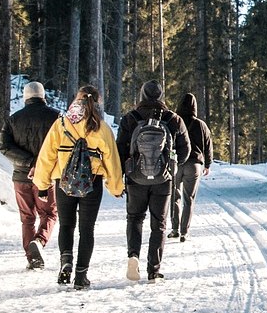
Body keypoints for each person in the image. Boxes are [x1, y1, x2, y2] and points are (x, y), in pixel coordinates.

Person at [32, 85, 124, 290]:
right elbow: (112, 160)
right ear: (97, 102)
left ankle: (66, 262)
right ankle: (81, 276)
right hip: (91, 184)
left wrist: (42, 184)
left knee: (66, 225)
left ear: (77, 99)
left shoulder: (61, 124)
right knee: (86, 230)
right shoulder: (101, 127)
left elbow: (46, 155)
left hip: (63, 183)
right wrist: (116, 187)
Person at [118, 80, 190, 282]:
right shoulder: (173, 119)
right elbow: (186, 149)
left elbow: (120, 149)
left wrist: (127, 169)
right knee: (159, 224)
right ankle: (153, 270)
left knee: (134, 218)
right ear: (161, 96)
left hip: (135, 179)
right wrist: (172, 165)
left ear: (141, 96)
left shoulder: (130, 119)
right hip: (163, 180)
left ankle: (133, 255)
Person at [0, 81, 61, 270]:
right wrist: (40, 162)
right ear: (43, 96)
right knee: (49, 213)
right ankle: (39, 242)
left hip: (21, 177)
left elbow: (4, 147)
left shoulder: (13, 119)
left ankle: (31, 257)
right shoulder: (56, 118)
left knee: (27, 217)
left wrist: (27, 161)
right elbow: (63, 145)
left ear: (26, 97)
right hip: (46, 176)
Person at [169, 93, 212, 243]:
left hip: (177, 163)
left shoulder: (174, 121)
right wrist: (207, 164)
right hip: (194, 165)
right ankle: (184, 232)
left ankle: (174, 228)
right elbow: (208, 146)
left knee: (174, 196)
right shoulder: (201, 125)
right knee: (189, 199)